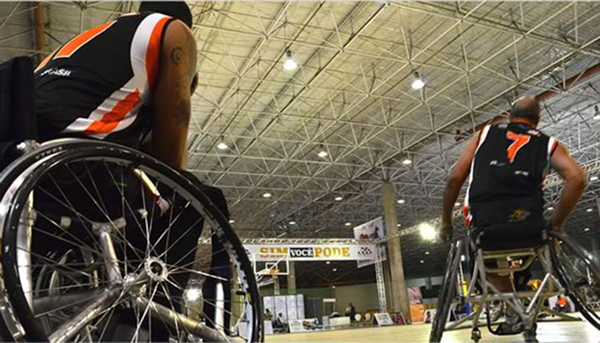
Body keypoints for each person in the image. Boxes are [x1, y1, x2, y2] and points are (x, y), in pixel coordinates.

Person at [440, 96, 585, 340]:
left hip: (486, 224)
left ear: (509, 114)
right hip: (529, 224)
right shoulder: (549, 143)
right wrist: (557, 224)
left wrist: (445, 221)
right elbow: (577, 178)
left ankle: (514, 306)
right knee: (540, 238)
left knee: (489, 264)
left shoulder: (485, 134)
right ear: (537, 120)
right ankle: (531, 289)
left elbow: (454, 179)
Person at [34, 1, 197, 171]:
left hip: (19, 142)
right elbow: (173, 132)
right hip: (76, 152)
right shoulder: (173, 29)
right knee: (206, 195)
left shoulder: (87, 38)